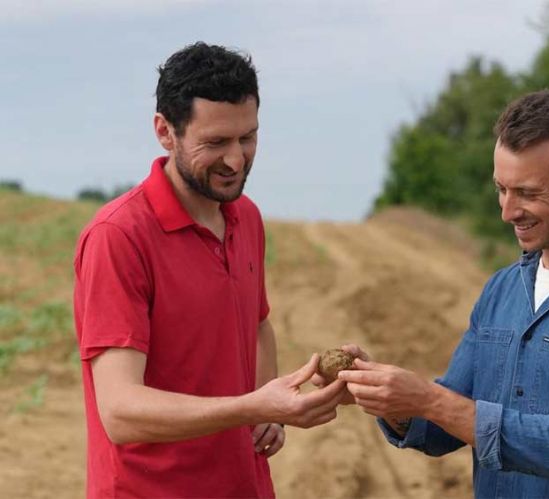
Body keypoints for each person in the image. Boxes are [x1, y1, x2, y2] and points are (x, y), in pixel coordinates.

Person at [337, 90, 549, 498]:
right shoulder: (502, 289)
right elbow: (443, 428)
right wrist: (386, 397)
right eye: (502, 189)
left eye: (528, 193)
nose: (507, 211)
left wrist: (429, 399)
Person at [73, 42, 346, 499]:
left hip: (245, 484)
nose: (236, 159)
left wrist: (265, 410)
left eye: (248, 137)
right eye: (216, 142)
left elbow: (257, 325)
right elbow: (120, 412)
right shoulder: (118, 237)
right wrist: (250, 406)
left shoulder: (246, 218)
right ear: (165, 131)